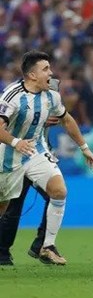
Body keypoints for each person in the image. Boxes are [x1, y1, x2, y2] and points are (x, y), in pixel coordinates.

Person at [0, 51, 93, 265]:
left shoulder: (52, 96)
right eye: (45, 69)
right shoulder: (12, 95)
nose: (51, 73)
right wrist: (17, 142)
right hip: (9, 154)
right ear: (32, 75)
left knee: (59, 191)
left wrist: (84, 147)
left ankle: (46, 246)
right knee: (5, 208)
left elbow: (67, 120)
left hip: (35, 150)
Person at [0, 78, 61, 266]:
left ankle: (42, 244)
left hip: (37, 156)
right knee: (12, 206)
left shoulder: (51, 95)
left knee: (56, 194)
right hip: (15, 156)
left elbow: (63, 115)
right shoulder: (16, 96)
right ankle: (2, 252)